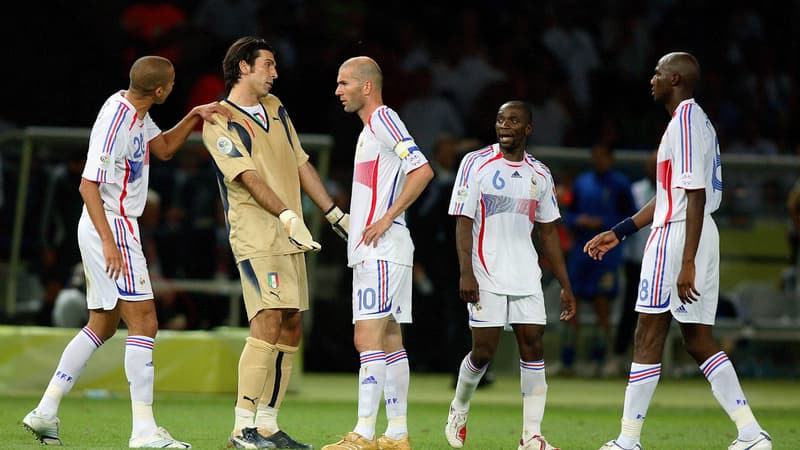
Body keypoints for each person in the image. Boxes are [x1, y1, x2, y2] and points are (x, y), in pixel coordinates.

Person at [21, 55, 231, 448]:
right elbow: (87, 185)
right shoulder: (116, 120)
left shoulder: (137, 112)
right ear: (159, 90)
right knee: (145, 322)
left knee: (102, 324)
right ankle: (143, 431)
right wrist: (108, 241)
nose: (173, 87)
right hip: (112, 222)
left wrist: (194, 116)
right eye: (171, 84)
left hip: (112, 222)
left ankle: (46, 411)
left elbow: (165, 148)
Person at [586, 52, 772, 450]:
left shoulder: (685, 123)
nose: (650, 79)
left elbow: (694, 194)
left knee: (647, 332)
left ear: (674, 79)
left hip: (678, 237)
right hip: (695, 231)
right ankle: (752, 433)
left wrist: (685, 261)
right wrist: (619, 232)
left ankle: (627, 440)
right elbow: (671, 194)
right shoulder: (694, 121)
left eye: (656, 73)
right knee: (698, 339)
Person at [201, 36, 349, 449]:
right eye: (268, 64)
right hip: (256, 232)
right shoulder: (218, 119)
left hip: (291, 231)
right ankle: (240, 427)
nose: (275, 72)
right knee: (267, 316)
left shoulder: (275, 108)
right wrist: (285, 213)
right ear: (243, 67)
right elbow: (246, 175)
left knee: (292, 322)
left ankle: (267, 423)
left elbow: (300, 161)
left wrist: (333, 213)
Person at [444, 101, 577, 450]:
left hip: (526, 276)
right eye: (500, 118)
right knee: (483, 352)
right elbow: (463, 220)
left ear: (528, 129)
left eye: (513, 120)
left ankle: (531, 436)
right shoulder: (475, 163)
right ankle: (459, 406)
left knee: (533, 347)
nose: (504, 125)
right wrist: (466, 272)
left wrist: (565, 284)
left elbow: (548, 232)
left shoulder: (541, 174)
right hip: (485, 271)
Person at [323, 56, 433, 450]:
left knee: (366, 337)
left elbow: (422, 170)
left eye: (344, 83)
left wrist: (386, 218)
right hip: (381, 248)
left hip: (382, 249)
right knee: (389, 339)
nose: (338, 91)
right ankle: (397, 434)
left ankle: (364, 434)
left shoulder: (384, 120)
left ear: (367, 86)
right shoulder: (371, 129)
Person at [561, 144, 634, 376]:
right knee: (572, 303)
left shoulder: (621, 184)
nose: (598, 160)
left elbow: (630, 216)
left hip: (606, 255)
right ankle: (568, 360)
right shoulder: (582, 182)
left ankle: (600, 359)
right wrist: (577, 220)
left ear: (611, 159)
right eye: (595, 156)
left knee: (603, 305)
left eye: (603, 156)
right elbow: (569, 212)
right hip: (581, 253)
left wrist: (602, 222)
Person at [603, 150, 657, 377]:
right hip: (636, 261)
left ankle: (655, 363)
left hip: (663, 261)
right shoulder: (635, 191)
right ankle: (618, 358)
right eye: (651, 165)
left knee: (663, 314)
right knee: (629, 311)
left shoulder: (677, 191)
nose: (655, 169)